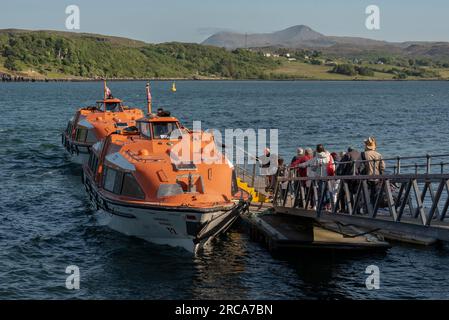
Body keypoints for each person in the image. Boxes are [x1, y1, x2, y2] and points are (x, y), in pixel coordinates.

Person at [297, 144, 335, 209]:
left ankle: (321, 207)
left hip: (320, 177)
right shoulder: (329, 156)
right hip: (329, 176)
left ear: (317, 150)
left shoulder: (316, 158)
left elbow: (310, 166)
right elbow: (333, 166)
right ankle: (329, 205)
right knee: (328, 191)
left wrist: (298, 165)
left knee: (321, 192)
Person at [360, 136, 385, 207]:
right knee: (374, 193)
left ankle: (367, 208)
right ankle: (373, 209)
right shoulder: (379, 155)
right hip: (376, 177)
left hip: (366, 177)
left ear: (366, 146)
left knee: (365, 193)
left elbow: (358, 165)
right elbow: (383, 167)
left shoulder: (363, 154)